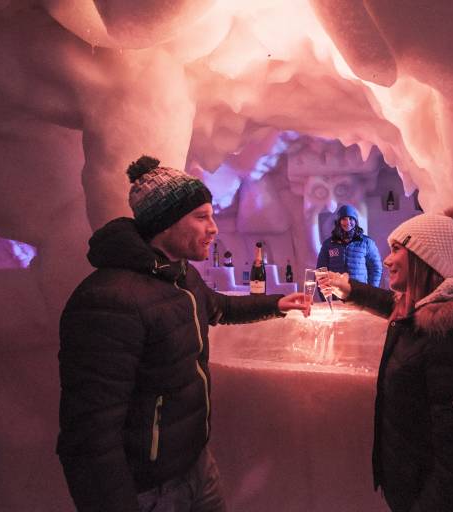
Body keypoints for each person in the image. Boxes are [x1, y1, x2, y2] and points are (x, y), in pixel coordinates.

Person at [56, 155, 309, 512]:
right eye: (201, 217)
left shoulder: (180, 275)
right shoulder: (108, 300)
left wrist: (277, 304)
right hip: (149, 490)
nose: (214, 228)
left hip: (196, 464)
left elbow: (218, 307)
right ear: (166, 224)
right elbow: (90, 434)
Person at [318, 208, 453, 512]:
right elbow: (394, 305)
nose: (386, 259)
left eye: (396, 250)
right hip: (414, 491)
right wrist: (351, 290)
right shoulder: (427, 314)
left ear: (424, 260)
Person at [317, 204, 383, 287]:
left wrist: (371, 291)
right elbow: (321, 271)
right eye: (344, 219)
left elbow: (376, 269)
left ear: (355, 221)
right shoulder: (328, 244)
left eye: (351, 218)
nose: (348, 222)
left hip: (359, 294)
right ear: (338, 222)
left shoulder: (367, 243)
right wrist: (326, 295)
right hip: (336, 294)